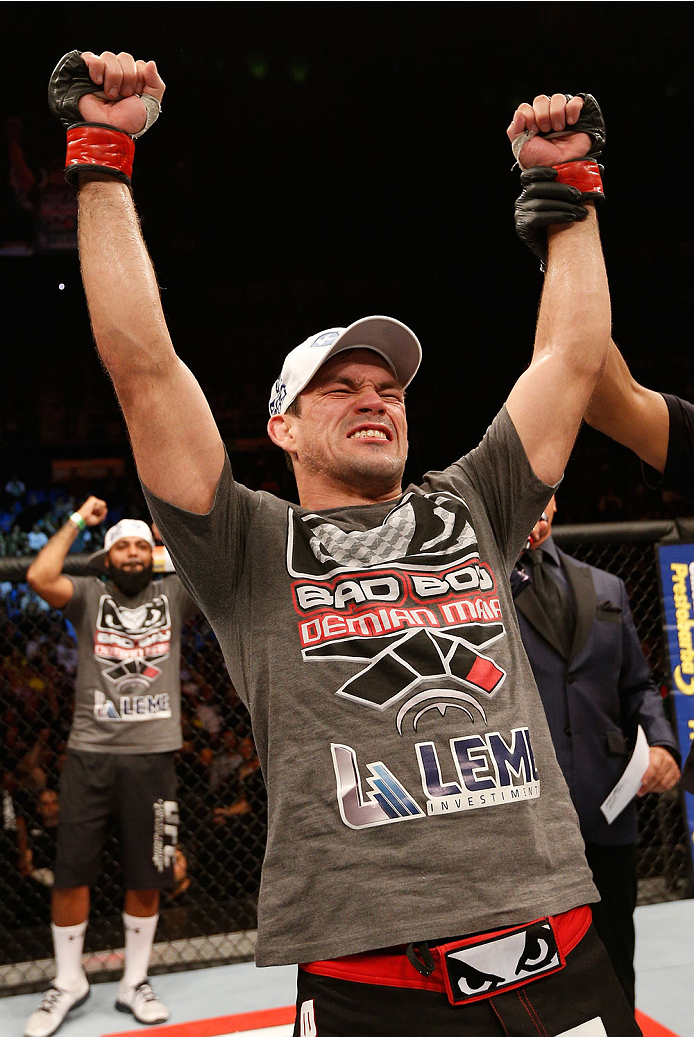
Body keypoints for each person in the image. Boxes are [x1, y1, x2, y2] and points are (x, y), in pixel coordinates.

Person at [48, 48, 639, 1035]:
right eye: (340, 385)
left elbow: (572, 358)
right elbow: (144, 370)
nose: (373, 399)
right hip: (376, 987)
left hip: (558, 954)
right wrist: (104, 158)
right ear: (281, 425)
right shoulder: (245, 542)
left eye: (390, 388)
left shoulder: (476, 500)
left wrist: (568, 183)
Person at [24, 498, 196, 1036]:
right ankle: (69, 980)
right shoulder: (87, 595)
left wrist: (160, 533)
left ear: (153, 555)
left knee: (149, 872)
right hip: (90, 754)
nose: (131, 554)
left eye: (140, 546)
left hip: (153, 756)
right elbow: (38, 574)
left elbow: (205, 559)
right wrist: (79, 522)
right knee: (72, 870)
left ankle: (134, 981)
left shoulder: (174, 593)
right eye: (121, 546)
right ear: (106, 556)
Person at [512, 495, 680, 1009]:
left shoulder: (608, 588)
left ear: (556, 504)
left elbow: (639, 687)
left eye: (543, 500)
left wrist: (663, 744)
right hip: (525, 812)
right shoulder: (481, 592)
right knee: (528, 968)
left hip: (610, 799)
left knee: (614, 953)